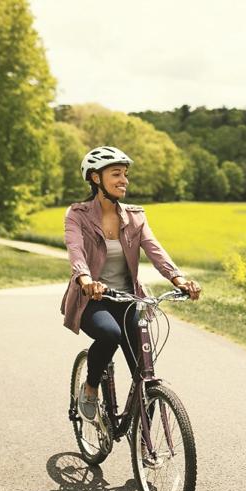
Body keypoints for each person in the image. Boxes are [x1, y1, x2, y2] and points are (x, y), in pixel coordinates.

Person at [61, 146, 201, 423]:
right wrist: (86, 280)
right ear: (95, 178)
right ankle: (90, 389)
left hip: (128, 300)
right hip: (93, 300)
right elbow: (75, 249)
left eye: (125, 174)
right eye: (116, 174)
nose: (124, 179)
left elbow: (155, 249)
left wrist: (179, 279)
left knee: (144, 371)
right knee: (109, 334)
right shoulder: (77, 215)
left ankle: (144, 435)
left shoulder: (135, 216)